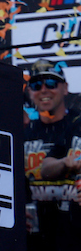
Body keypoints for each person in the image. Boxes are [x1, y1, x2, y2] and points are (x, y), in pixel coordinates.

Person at [23, 60, 81, 251]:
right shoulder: (22, 133)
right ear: (30, 92)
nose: (43, 90)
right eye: (36, 85)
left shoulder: (77, 125)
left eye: (51, 83)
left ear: (65, 88)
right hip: (36, 238)